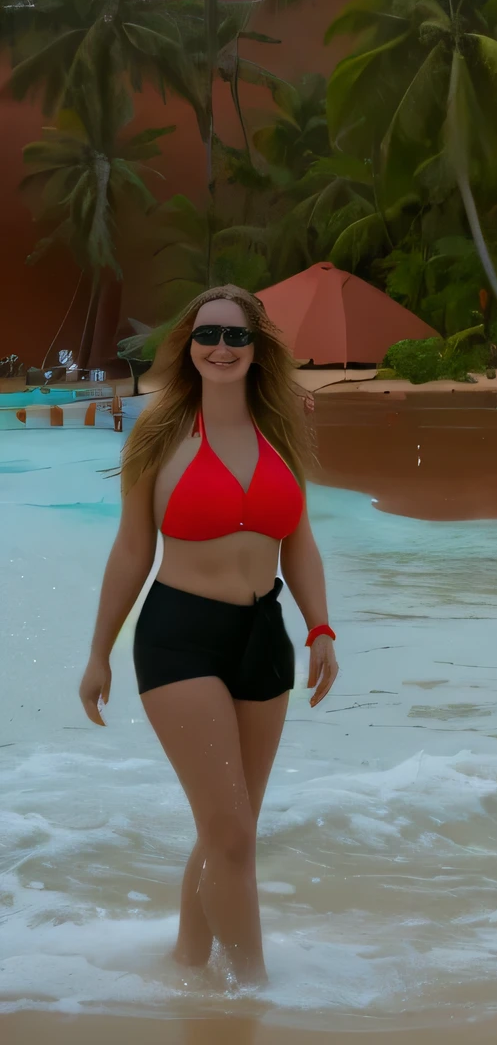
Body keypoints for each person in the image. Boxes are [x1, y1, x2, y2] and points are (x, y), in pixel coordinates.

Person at [77, 286, 340, 986]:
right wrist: (99, 652)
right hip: (179, 638)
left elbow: (300, 543)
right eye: (207, 335)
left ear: (257, 349)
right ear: (189, 346)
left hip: (264, 637)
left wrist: (320, 628)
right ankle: (252, 992)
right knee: (230, 832)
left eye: (235, 336)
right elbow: (132, 550)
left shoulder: (279, 429)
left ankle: (189, 969)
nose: (220, 348)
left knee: (230, 830)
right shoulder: (159, 431)